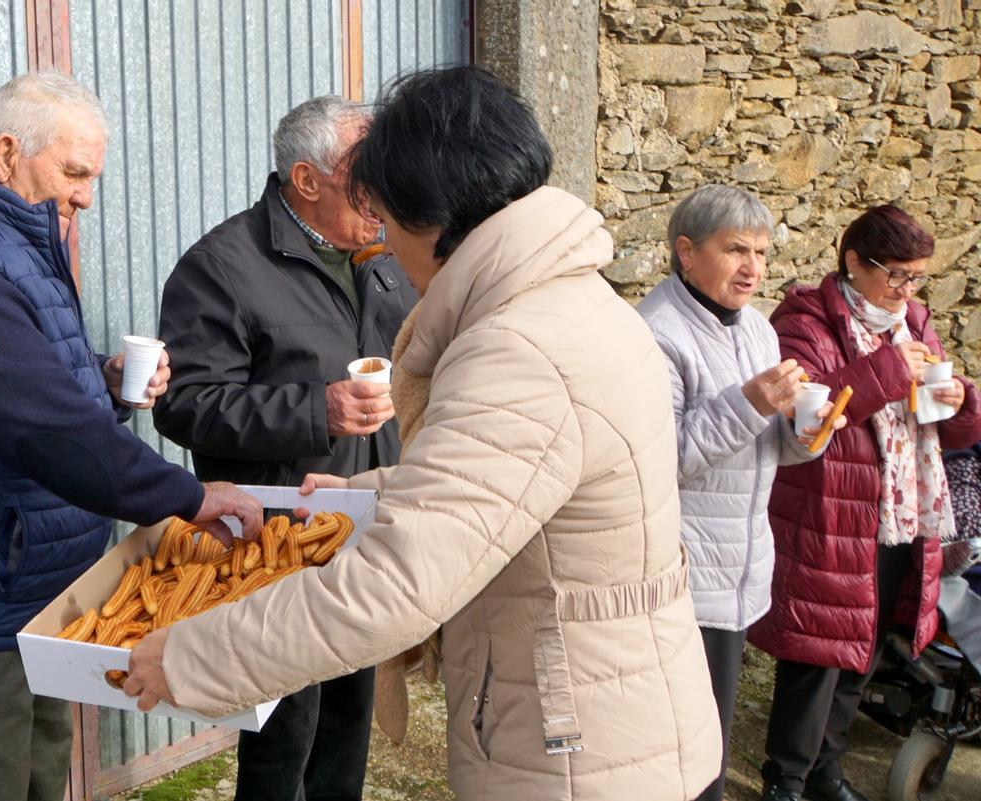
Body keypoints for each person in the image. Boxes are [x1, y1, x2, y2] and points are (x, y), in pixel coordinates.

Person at [129, 66, 722, 801]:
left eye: (384, 210)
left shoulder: (521, 349)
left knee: (340, 732)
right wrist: (376, 486)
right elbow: (518, 478)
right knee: (284, 752)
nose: (381, 238)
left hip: (580, 743)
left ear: (426, 216)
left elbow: (397, 583)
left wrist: (186, 657)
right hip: (603, 711)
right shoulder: (572, 295)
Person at [0, 72, 262, 801]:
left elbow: (23, 390)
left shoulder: (7, 242)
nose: (85, 195)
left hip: (28, 593)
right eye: (74, 172)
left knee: (43, 782)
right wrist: (187, 495)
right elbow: (45, 429)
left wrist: (102, 385)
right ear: (8, 154)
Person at [151, 95, 418, 801]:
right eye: (366, 174)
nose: (386, 189)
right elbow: (184, 405)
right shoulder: (222, 266)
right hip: (279, 541)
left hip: (363, 527)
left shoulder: (383, 253)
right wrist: (316, 408)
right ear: (307, 179)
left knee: (349, 716)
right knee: (284, 731)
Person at [748, 205, 981, 801]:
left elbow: (947, 433)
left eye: (917, 276)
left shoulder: (915, 322)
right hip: (831, 513)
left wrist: (959, 398)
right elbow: (814, 419)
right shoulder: (804, 319)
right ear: (854, 262)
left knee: (866, 651)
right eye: (896, 274)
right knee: (817, 656)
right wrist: (885, 367)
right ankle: (786, 780)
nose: (906, 289)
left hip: (901, 517)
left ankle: (828, 772)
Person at [637, 184, 845, 801]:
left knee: (711, 739)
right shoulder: (655, 333)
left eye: (761, 251)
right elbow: (659, 460)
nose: (753, 268)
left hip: (740, 555)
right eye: (735, 250)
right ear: (686, 252)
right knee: (690, 752)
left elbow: (767, 446)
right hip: (683, 569)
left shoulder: (756, 328)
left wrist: (807, 434)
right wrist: (750, 403)